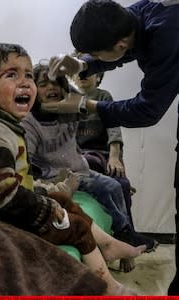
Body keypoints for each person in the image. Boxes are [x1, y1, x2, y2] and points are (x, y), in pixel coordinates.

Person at [43, 0, 179, 295]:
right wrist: (85, 63)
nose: (95, 60)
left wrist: (86, 105)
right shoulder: (133, 17)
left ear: (120, 42)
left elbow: (147, 111)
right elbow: (125, 51)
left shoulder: (171, 31)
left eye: (97, 53)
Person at [0, 43, 147, 295]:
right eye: (11, 74)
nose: (25, 81)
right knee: (76, 226)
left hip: (7, 204)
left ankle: (107, 244)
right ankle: (108, 287)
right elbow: (3, 199)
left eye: (28, 74)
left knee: (63, 198)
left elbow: (17, 178)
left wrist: (44, 192)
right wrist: (47, 207)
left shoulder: (6, 126)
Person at [20, 62, 159, 262]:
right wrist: (49, 182)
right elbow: (29, 160)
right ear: (33, 90)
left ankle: (124, 231)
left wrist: (69, 71)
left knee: (113, 185)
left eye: (56, 83)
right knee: (105, 187)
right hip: (55, 173)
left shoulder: (69, 110)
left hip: (79, 166)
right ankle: (122, 232)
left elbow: (83, 99)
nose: (51, 88)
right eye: (43, 84)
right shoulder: (30, 122)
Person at [71, 55, 134, 226]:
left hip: (103, 155)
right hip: (77, 158)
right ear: (72, 76)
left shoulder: (104, 96)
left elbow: (114, 129)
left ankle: (127, 230)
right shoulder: (67, 99)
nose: (83, 76)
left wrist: (115, 157)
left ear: (97, 75)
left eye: (87, 72)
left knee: (123, 184)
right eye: (79, 72)